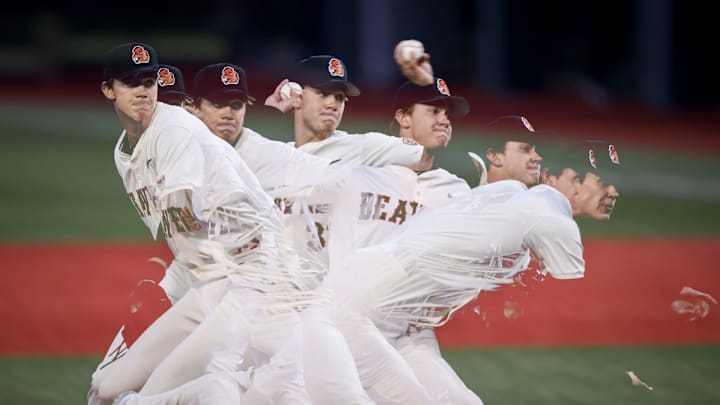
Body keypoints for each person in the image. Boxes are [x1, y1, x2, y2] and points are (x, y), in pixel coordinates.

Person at [88, 42, 310, 404]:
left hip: (253, 278)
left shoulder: (176, 131)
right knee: (106, 389)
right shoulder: (124, 150)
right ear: (108, 90)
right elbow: (187, 235)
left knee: (152, 395)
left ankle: (268, 383)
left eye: (148, 81)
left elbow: (186, 208)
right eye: (131, 83)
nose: (143, 91)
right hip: (210, 283)